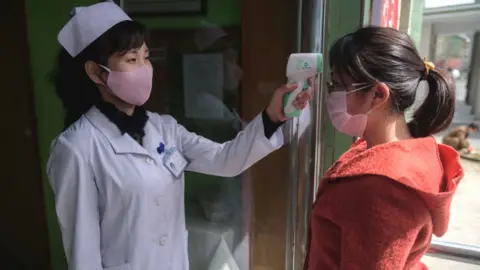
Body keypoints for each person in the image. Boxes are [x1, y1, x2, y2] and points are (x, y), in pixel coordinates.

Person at [47, 2, 311, 270]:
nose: (144, 68)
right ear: (96, 72)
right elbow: (84, 256)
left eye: (146, 57)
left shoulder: (164, 128)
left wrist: (272, 117)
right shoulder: (76, 148)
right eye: (131, 59)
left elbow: (226, 159)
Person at [304, 26, 464, 269]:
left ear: (377, 94)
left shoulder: (382, 187)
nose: (330, 94)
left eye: (337, 84)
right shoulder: (408, 153)